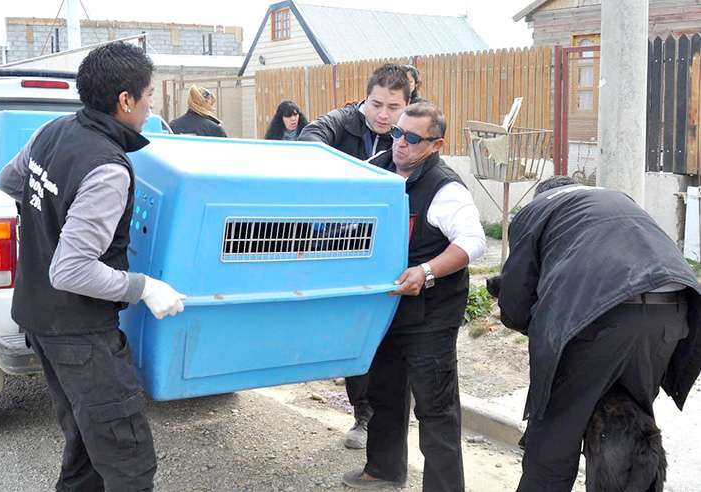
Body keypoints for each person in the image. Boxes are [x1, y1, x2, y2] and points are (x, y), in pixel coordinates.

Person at [0, 41, 186, 491]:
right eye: (149, 95)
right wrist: (143, 287)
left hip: (39, 318)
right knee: (127, 457)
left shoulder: (53, 130)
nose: (150, 105)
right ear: (125, 100)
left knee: (85, 441)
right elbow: (71, 270)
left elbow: (10, 181)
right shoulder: (107, 167)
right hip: (79, 332)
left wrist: (51, 217)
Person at [496, 176, 701, 492]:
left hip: (598, 317)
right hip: (672, 313)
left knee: (553, 439)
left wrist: (531, 325)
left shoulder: (537, 209)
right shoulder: (617, 200)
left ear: (540, 196)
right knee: (628, 431)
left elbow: (515, 299)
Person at [342, 102, 485, 491]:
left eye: (411, 138)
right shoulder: (380, 167)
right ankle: (383, 470)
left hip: (430, 317)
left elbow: (473, 244)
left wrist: (426, 270)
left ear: (436, 144)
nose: (400, 144)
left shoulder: (446, 188)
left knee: (435, 409)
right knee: (384, 392)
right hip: (386, 311)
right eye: (397, 134)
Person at [299, 63, 411, 449]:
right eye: (376, 104)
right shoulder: (342, 122)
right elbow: (308, 141)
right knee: (355, 330)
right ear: (366, 97)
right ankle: (362, 414)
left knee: (390, 335)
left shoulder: (409, 132)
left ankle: (387, 418)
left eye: (393, 107)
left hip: (390, 246)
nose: (383, 114)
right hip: (339, 245)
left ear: (406, 104)